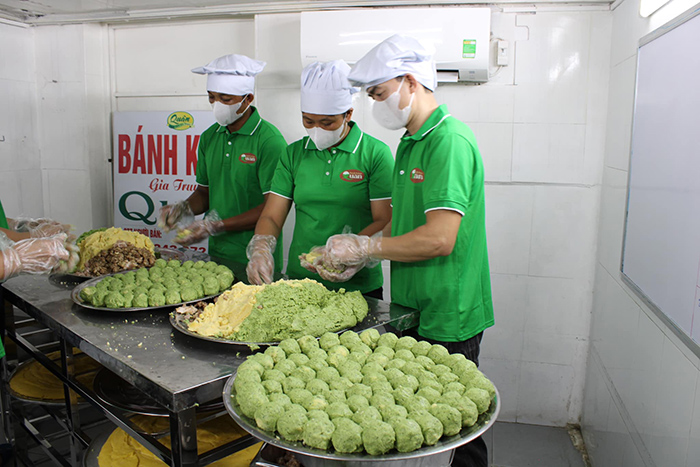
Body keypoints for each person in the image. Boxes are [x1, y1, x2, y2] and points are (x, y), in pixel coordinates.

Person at [321, 35, 494, 467]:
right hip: (413, 303)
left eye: (379, 93)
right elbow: (403, 222)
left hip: (448, 310)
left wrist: (368, 247)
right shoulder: (410, 144)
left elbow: (439, 238)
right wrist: (358, 249)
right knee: (414, 416)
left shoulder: (448, 142)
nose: (376, 104)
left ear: (410, 82)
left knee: (456, 423)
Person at [246, 60, 393, 299]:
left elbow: (384, 219)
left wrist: (353, 251)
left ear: (348, 114)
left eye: (327, 122)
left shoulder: (375, 154)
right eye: (308, 121)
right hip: (300, 281)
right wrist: (261, 248)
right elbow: (272, 215)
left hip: (358, 286)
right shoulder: (293, 154)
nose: (317, 129)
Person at [159, 54, 287, 268]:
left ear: (248, 98)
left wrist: (216, 226)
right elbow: (204, 193)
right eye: (212, 97)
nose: (217, 104)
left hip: (256, 256)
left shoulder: (269, 141)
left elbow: (271, 209)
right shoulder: (210, 137)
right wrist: (182, 209)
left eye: (226, 99)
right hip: (217, 254)